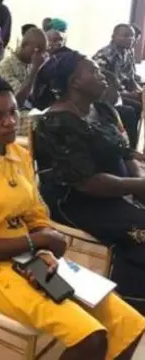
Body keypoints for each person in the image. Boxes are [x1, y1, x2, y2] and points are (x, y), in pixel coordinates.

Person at [0, 70, 145, 360]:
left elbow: (36, 212)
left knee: (129, 323)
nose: (10, 122)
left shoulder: (18, 154)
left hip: (34, 257)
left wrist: (45, 250)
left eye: (13, 112)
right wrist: (40, 241)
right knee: (92, 338)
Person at [32, 51, 145, 313]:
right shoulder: (57, 122)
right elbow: (86, 182)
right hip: (74, 198)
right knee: (140, 231)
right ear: (75, 82)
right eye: (93, 71)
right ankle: (125, 309)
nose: (102, 75)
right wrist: (138, 188)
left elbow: (124, 151)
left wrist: (138, 184)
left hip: (117, 186)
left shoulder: (102, 109)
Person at [93, 24, 142, 115]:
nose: (131, 39)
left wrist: (140, 92)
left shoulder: (128, 53)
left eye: (133, 36)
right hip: (107, 97)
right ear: (113, 37)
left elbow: (131, 78)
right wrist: (128, 94)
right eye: (126, 35)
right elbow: (101, 88)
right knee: (134, 108)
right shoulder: (104, 56)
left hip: (123, 92)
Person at [0, 27, 48, 107]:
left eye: (43, 51)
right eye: (37, 50)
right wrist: (35, 69)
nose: (40, 56)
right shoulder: (6, 66)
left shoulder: (30, 63)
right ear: (24, 45)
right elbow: (17, 102)